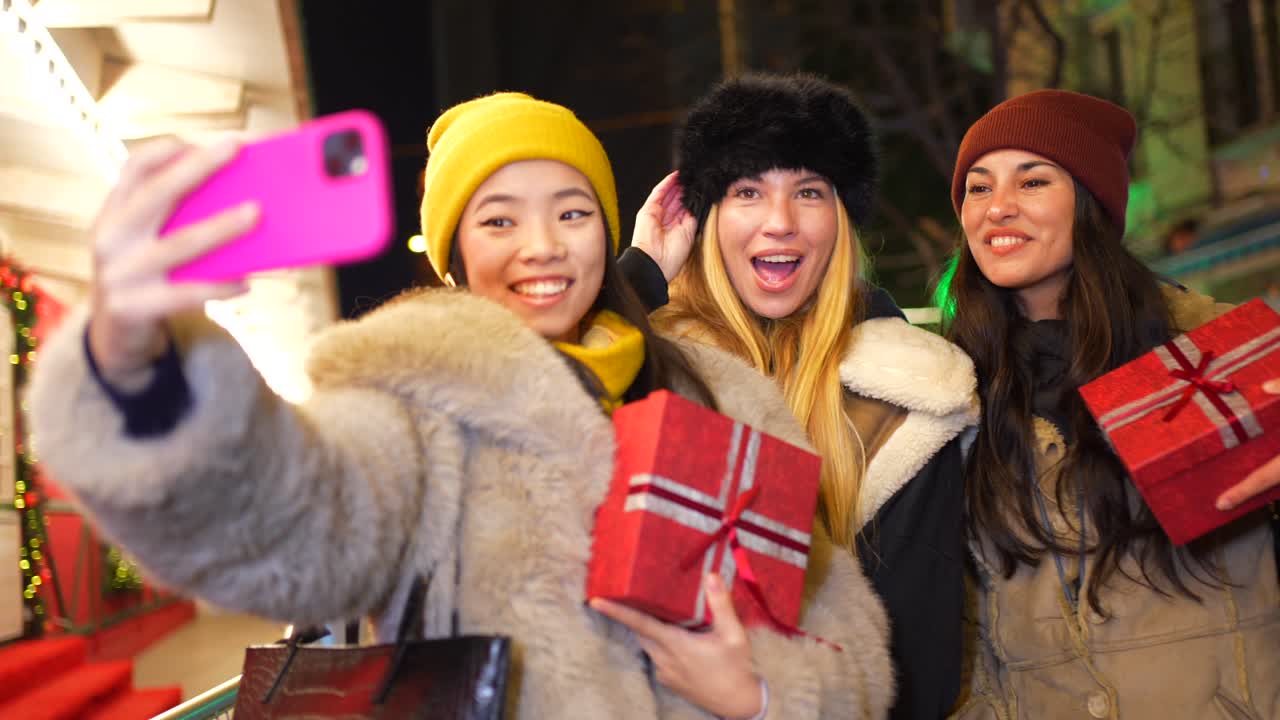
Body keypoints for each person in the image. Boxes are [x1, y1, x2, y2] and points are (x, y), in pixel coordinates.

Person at [27, 93, 895, 719]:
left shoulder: (720, 391)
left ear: (607, 226)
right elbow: (288, 520)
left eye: (571, 211)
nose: (545, 247)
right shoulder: (413, 398)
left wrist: (762, 697)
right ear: (449, 255)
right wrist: (136, 367)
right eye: (498, 221)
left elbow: (837, 627)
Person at [621, 73, 980, 720]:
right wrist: (640, 274)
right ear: (706, 216)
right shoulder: (649, 369)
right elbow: (537, 400)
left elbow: (918, 682)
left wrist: (761, 702)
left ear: (841, 218)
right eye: (748, 192)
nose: (780, 223)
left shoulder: (910, 398)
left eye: (808, 192)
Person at [943, 89, 1279, 719]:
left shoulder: (1222, 354)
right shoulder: (947, 392)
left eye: (1033, 180)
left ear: (1092, 203)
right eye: (978, 188)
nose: (998, 209)